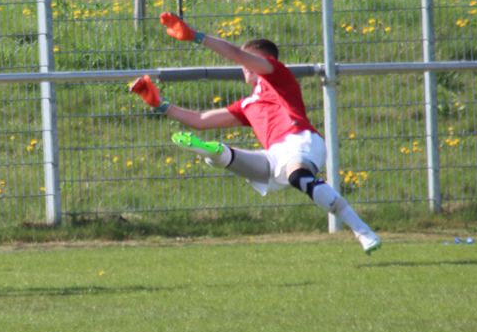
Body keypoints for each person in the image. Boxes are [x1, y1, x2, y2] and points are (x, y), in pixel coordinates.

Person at [129, 13, 381, 254]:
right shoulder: (247, 105)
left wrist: (197, 36)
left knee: (298, 177)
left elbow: (236, 54)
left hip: (300, 141)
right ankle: (215, 153)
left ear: (268, 61)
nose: (244, 65)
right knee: (224, 157)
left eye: (251, 60)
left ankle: (363, 231)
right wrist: (161, 105)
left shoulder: (277, 75)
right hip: (273, 156)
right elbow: (199, 120)